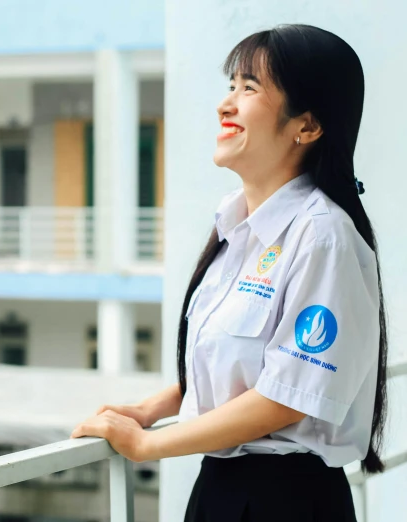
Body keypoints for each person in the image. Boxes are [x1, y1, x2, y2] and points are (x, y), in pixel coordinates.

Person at [71, 24, 388, 521]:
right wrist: (152, 410)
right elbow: (240, 362)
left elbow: (285, 399)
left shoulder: (323, 236)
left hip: (286, 502)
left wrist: (147, 445)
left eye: (250, 88)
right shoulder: (237, 226)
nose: (226, 104)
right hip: (220, 490)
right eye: (231, 85)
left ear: (306, 126)